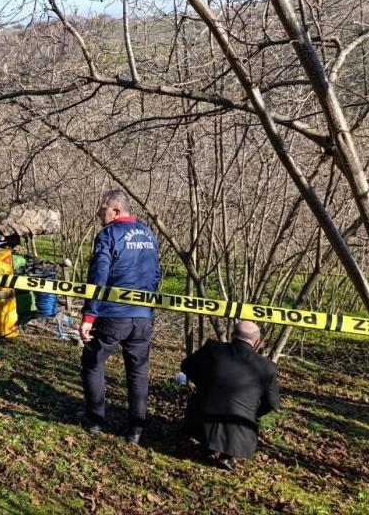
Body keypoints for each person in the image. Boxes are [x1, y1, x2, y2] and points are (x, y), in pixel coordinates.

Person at [78, 189, 161, 445]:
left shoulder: (108, 234)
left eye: (102, 208)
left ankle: (95, 420)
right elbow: (155, 274)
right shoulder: (148, 233)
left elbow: (99, 277)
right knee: (137, 372)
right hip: (142, 317)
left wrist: (89, 316)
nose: (98, 213)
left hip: (113, 315)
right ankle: (136, 430)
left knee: (93, 362)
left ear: (115, 210)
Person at [180, 320, 280, 471]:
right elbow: (272, 403)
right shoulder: (267, 367)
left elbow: (186, 366)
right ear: (257, 342)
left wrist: (205, 384)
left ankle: (207, 444)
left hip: (199, 420)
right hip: (239, 432)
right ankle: (226, 456)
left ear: (231, 334)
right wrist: (254, 414)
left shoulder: (213, 349)